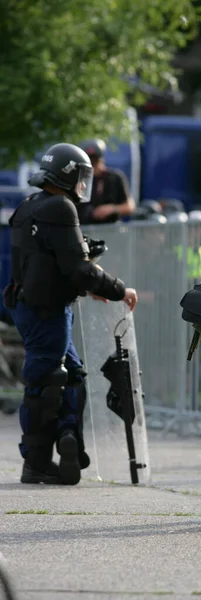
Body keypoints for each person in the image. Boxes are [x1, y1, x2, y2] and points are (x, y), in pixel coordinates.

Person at [3, 143, 138, 486]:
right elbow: (78, 268)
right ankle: (35, 462)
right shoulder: (61, 208)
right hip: (46, 311)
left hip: (29, 306)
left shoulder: (29, 205)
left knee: (71, 375)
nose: (84, 184)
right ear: (67, 176)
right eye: (81, 176)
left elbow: (45, 262)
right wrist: (119, 288)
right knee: (44, 382)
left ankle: (68, 440)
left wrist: (86, 281)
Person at [76, 139, 135, 224]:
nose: (94, 165)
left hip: (109, 230)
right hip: (85, 228)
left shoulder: (115, 177)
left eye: (96, 160)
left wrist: (112, 209)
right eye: (91, 161)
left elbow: (130, 207)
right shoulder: (80, 180)